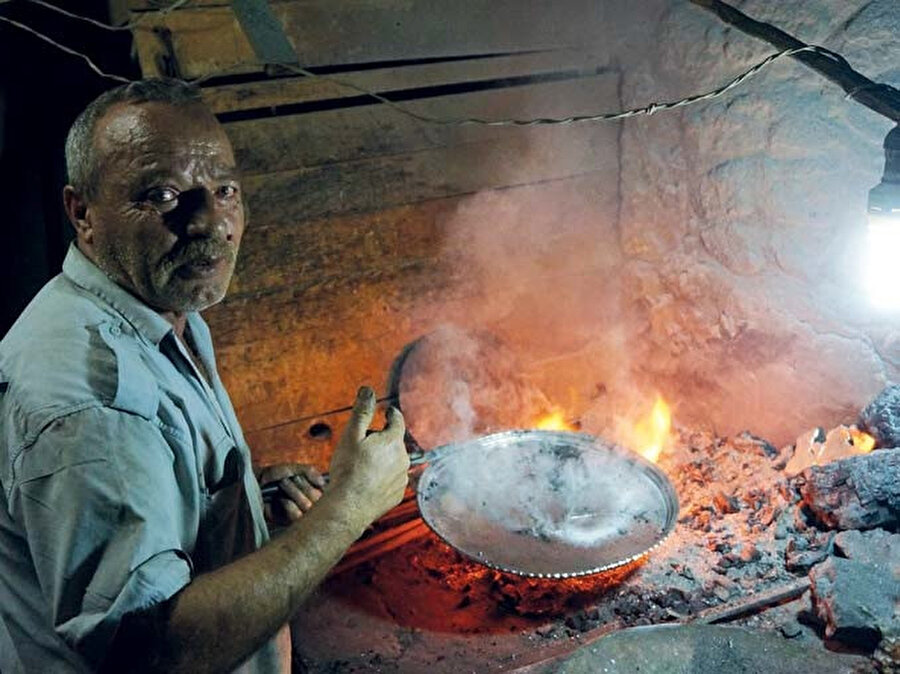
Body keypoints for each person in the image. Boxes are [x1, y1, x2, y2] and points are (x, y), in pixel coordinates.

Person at [0, 78, 410, 673]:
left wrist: (238, 503)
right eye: (164, 196)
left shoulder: (156, 309)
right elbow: (152, 649)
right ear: (82, 213)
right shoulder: (95, 402)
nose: (210, 223)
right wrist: (345, 510)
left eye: (224, 190)